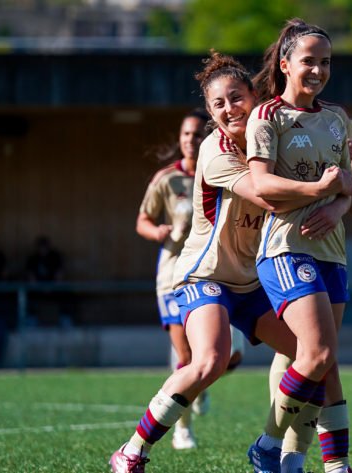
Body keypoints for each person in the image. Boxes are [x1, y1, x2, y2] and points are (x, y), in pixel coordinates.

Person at [109, 50, 352, 473]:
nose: (229, 109)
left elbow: (346, 176)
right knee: (210, 360)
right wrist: (327, 188)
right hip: (204, 276)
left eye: (236, 98)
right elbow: (267, 195)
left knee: (318, 360)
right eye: (218, 104)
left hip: (252, 281)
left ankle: (308, 462)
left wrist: (342, 194)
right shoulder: (215, 149)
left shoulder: (271, 138)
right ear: (209, 113)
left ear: (254, 95)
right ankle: (133, 451)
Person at [246, 19, 352, 473]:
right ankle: (267, 445)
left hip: (332, 253)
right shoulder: (268, 117)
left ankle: (332, 466)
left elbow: (350, 187)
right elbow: (263, 186)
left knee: (326, 364)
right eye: (309, 61)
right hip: (286, 248)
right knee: (318, 355)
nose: (318, 70)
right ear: (285, 64)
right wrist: (319, 191)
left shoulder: (337, 118)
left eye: (326, 62)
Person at [136, 108, 210, 450]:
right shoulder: (166, 179)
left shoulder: (220, 172)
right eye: (186, 135)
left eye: (197, 135)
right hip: (172, 276)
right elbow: (143, 221)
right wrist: (159, 231)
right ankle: (182, 429)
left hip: (211, 272)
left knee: (222, 356)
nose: (191, 141)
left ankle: (201, 384)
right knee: (187, 356)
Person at [26, 236, 74, 327]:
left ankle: (65, 319)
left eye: (44, 246)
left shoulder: (55, 257)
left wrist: (51, 287)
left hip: (53, 288)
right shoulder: (33, 258)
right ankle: (31, 320)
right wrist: (40, 288)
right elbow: (31, 278)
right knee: (26, 294)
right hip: (38, 289)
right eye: (40, 246)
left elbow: (59, 276)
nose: (42, 249)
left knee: (67, 293)